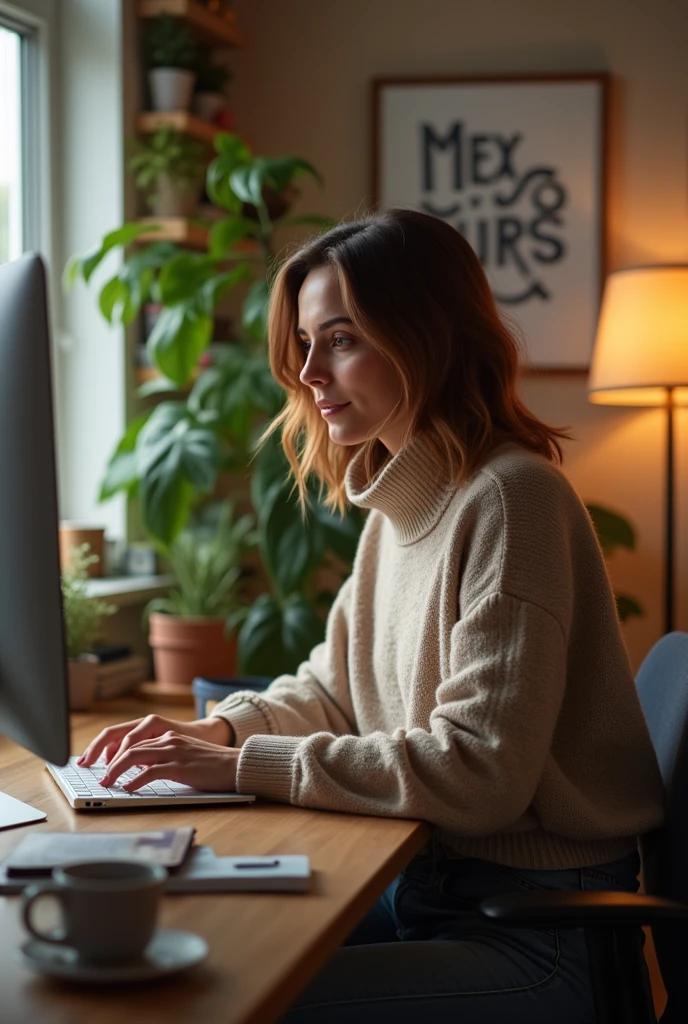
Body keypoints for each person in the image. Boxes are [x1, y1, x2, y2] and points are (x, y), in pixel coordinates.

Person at [79, 209, 664, 1022]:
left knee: (240, 1001)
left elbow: (480, 773)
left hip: (535, 930)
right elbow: (334, 685)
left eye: (341, 339)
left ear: (428, 335)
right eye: (307, 343)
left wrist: (242, 766)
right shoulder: (401, 505)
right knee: (210, 959)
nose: (308, 372)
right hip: (429, 888)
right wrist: (219, 734)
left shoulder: (511, 498)